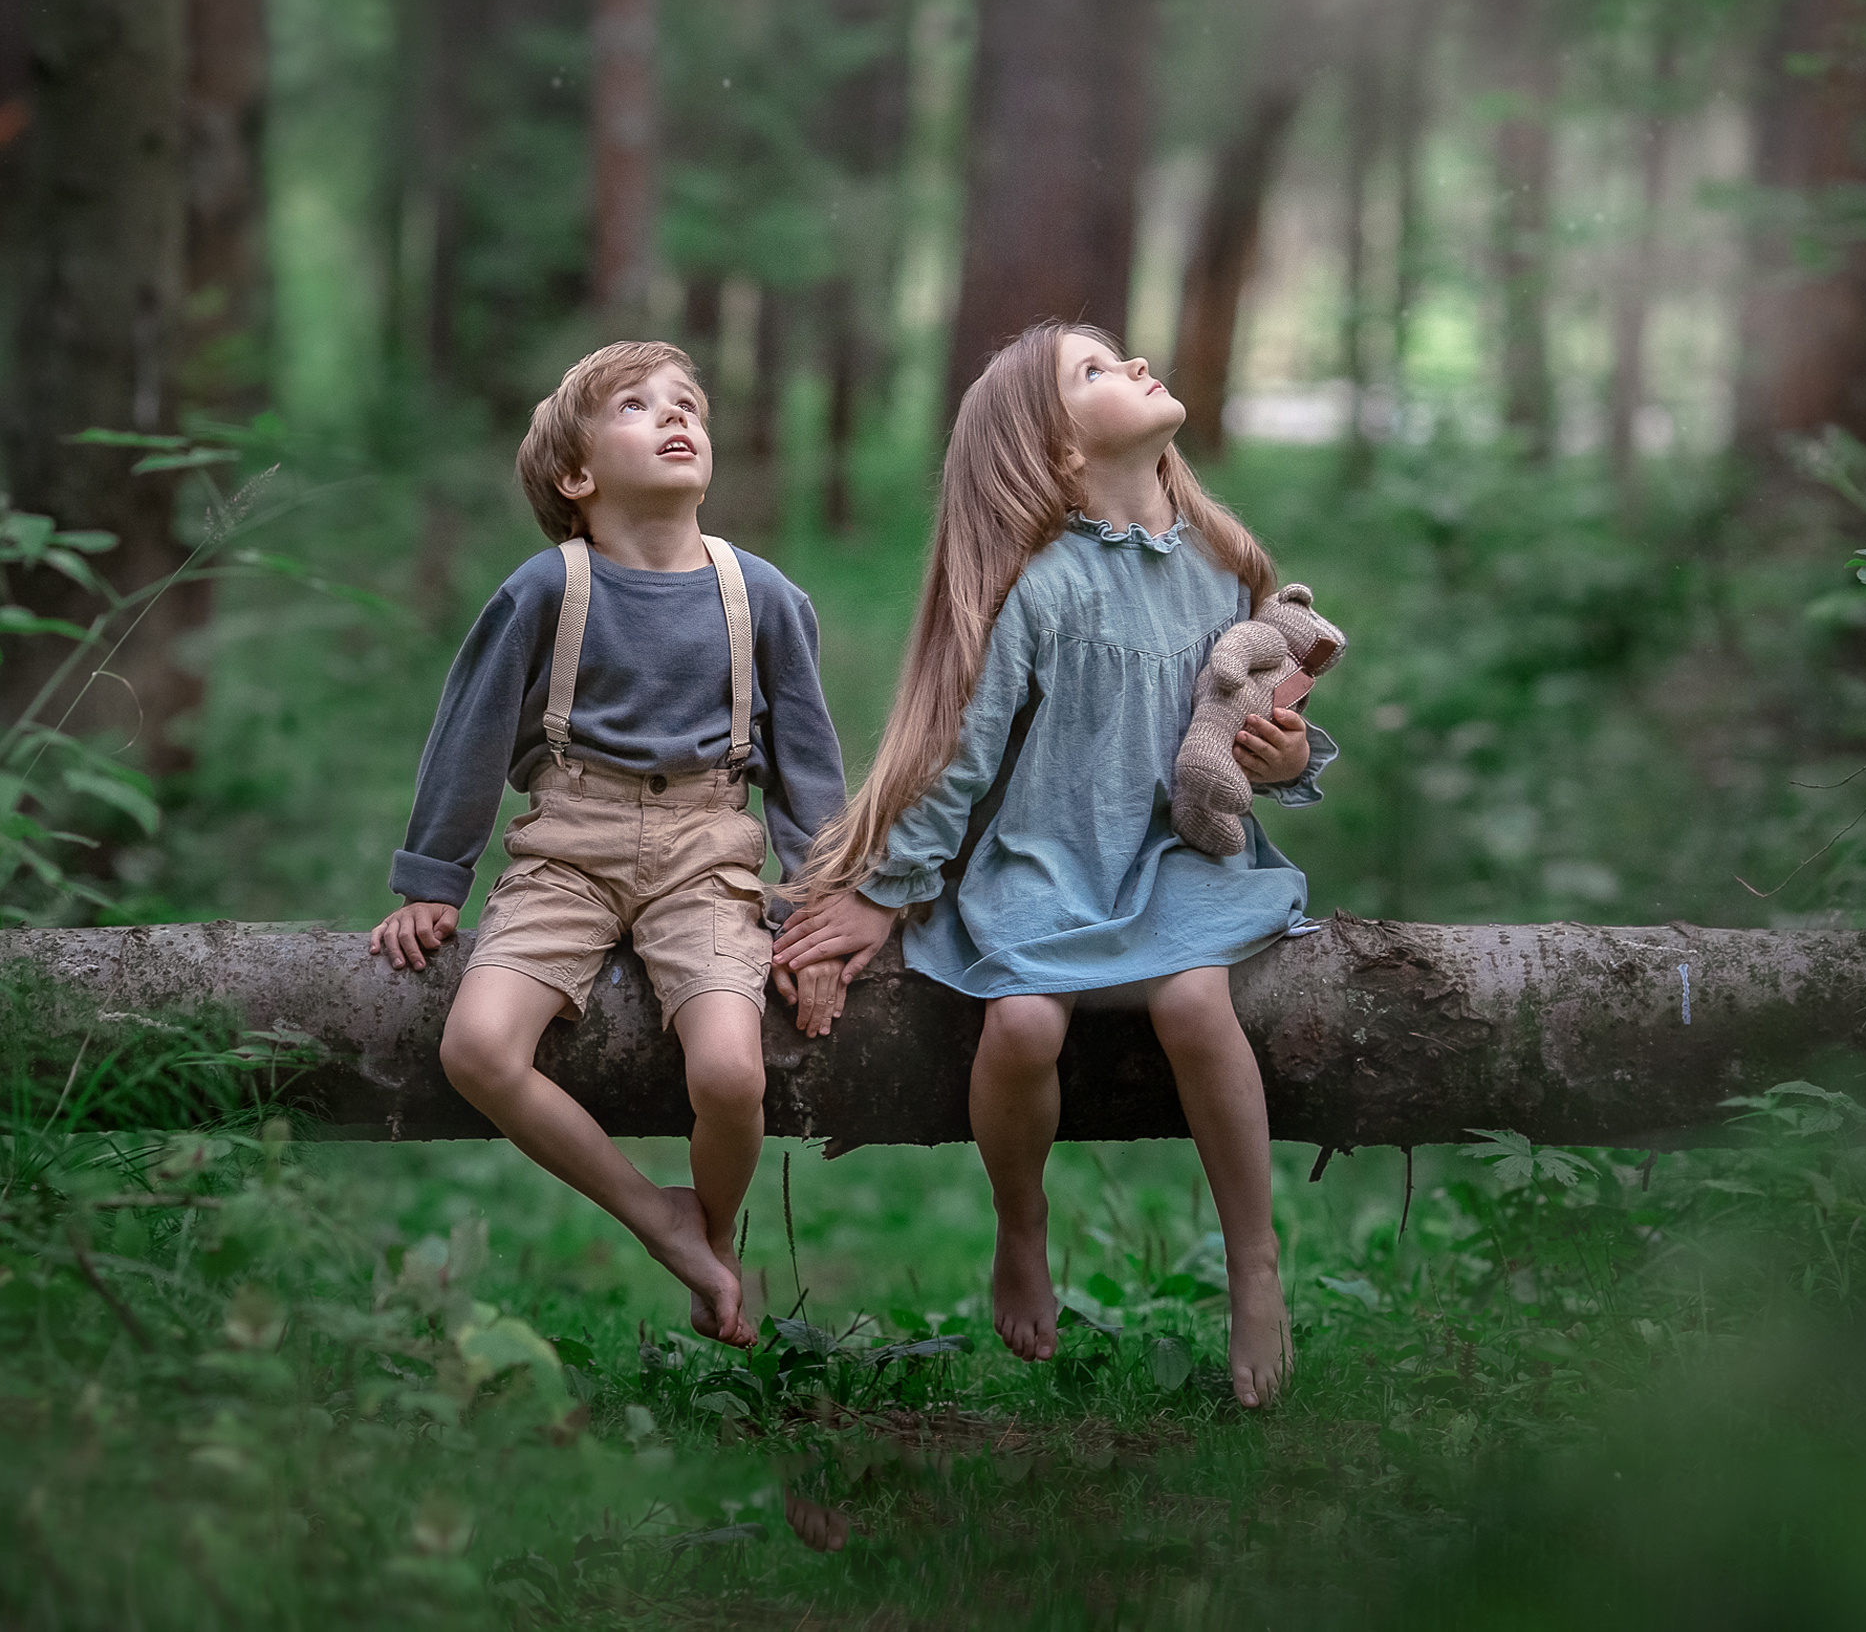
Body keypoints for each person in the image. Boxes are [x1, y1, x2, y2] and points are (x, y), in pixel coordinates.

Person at [771, 321, 1333, 1408]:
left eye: (1115, 353)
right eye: (1092, 370)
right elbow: (966, 756)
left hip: (1176, 857)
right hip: (1048, 862)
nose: (1129, 364)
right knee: (1023, 1023)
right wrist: (888, 892)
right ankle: (1020, 1223)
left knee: (1194, 1003)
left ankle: (1253, 1260)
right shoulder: (1042, 588)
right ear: (1057, 455)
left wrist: (1290, 758)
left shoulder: (1223, 568)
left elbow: (1248, 728)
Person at [369, 341, 848, 1348]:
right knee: (477, 1046)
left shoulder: (758, 594)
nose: (676, 417)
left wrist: (817, 901)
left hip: (706, 854)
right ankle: (653, 1213)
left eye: (687, 404)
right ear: (575, 477)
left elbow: (807, 759)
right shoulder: (545, 590)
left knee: (729, 1074)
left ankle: (709, 1237)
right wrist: (432, 876)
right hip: (566, 852)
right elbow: (470, 729)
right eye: (635, 405)